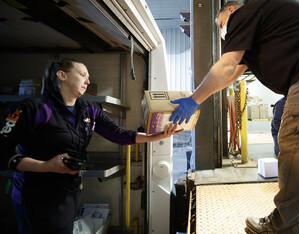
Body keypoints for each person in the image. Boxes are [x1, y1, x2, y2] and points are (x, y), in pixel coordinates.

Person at [169, 0, 299, 233]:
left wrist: (194, 99)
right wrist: (199, 97)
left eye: (221, 24)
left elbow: (226, 65)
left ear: (231, 11)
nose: (223, 31)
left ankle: (284, 226)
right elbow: (231, 73)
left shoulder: (243, 16)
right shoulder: (260, 29)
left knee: (297, 139)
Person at [0, 58, 183, 234]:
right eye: (82, 75)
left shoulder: (88, 109)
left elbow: (117, 133)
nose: (88, 81)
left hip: (69, 192)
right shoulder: (31, 109)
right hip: (36, 195)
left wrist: (155, 136)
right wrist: (46, 166)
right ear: (62, 75)